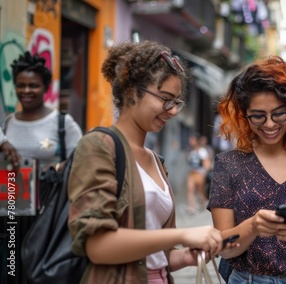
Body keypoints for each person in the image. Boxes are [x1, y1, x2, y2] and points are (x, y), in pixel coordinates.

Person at [67, 40, 227, 284]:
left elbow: (156, 257)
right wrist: (185, 233)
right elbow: (97, 245)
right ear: (132, 92)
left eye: (175, 102)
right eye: (165, 99)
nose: (173, 111)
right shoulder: (98, 146)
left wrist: (184, 256)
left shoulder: (156, 161)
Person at [208, 55, 286, 283]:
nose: (269, 124)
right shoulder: (228, 165)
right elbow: (223, 247)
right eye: (258, 116)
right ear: (244, 116)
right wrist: (252, 227)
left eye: (278, 114)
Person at [0, 51, 83, 284]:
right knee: (13, 269)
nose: (26, 91)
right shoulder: (8, 123)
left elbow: (81, 159)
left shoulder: (62, 122)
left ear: (46, 87)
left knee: (39, 272)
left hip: (48, 213)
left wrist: (58, 168)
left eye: (33, 85)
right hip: (13, 210)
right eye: (21, 85)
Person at [186, 134, 212, 214]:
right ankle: (191, 208)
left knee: (200, 191)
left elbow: (206, 163)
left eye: (193, 139)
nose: (191, 141)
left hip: (199, 173)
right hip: (191, 173)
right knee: (190, 189)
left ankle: (204, 202)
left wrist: (204, 172)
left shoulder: (202, 151)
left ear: (196, 141)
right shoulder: (190, 151)